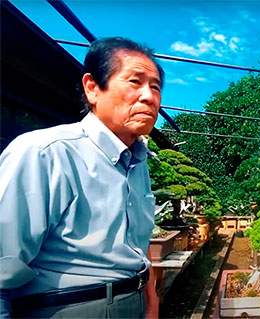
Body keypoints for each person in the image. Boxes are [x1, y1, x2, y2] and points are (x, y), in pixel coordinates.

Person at [0, 37, 164, 318]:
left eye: (155, 87)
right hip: (66, 308)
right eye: (135, 82)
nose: (149, 96)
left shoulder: (138, 162)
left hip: (133, 302)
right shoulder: (45, 153)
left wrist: (151, 301)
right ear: (92, 88)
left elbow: (140, 244)